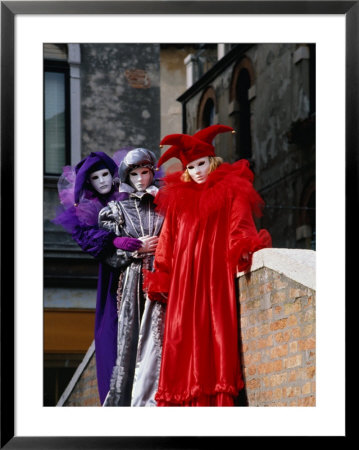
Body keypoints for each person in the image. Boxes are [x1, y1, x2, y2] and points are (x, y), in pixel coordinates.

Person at [144, 124, 272, 407]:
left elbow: (240, 226)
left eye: (201, 164)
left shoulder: (232, 189)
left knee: (215, 334)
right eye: (191, 167)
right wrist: (163, 275)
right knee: (180, 338)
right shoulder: (177, 199)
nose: (198, 171)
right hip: (183, 283)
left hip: (215, 278)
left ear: (212, 161)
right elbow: (167, 241)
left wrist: (243, 249)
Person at [53, 151, 142, 405]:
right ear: (89, 182)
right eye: (95, 177)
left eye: (105, 174)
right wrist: (115, 240)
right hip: (115, 278)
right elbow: (89, 240)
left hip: (147, 270)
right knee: (113, 337)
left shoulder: (130, 195)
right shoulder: (89, 209)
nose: (102, 181)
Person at [98, 148, 165, 406]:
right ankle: (130, 402)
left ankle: (160, 397)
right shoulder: (115, 210)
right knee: (131, 337)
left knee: (163, 336)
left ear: (152, 173)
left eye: (145, 173)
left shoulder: (166, 203)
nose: (140, 179)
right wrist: (136, 249)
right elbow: (108, 254)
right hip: (133, 281)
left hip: (165, 276)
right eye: (134, 174)